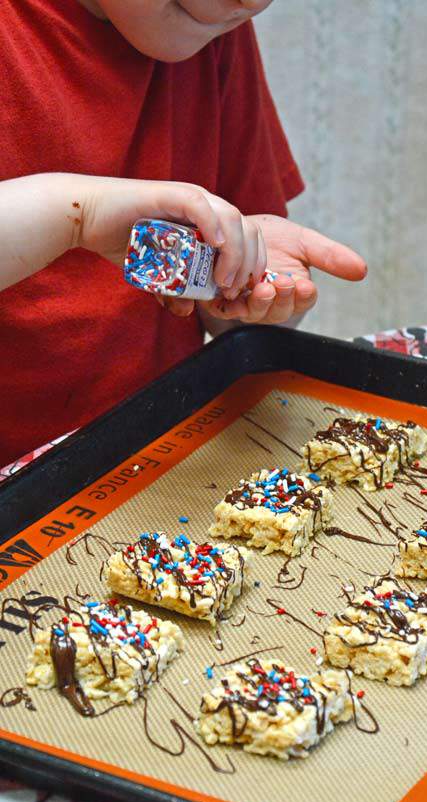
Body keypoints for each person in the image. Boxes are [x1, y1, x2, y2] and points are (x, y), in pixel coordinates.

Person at [0, 0, 367, 467]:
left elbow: (227, 316)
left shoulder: (208, 30)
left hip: (157, 455)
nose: (250, 2)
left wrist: (247, 287)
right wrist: (78, 213)